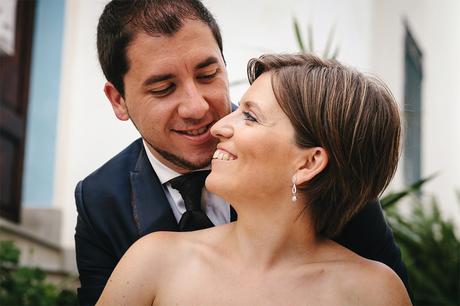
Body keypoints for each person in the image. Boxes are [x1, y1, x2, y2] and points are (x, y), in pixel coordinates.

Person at [75, 1, 408, 305]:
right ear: (118, 100)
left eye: (208, 75)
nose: (200, 110)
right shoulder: (104, 205)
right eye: (163, 89)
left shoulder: (325, 162)